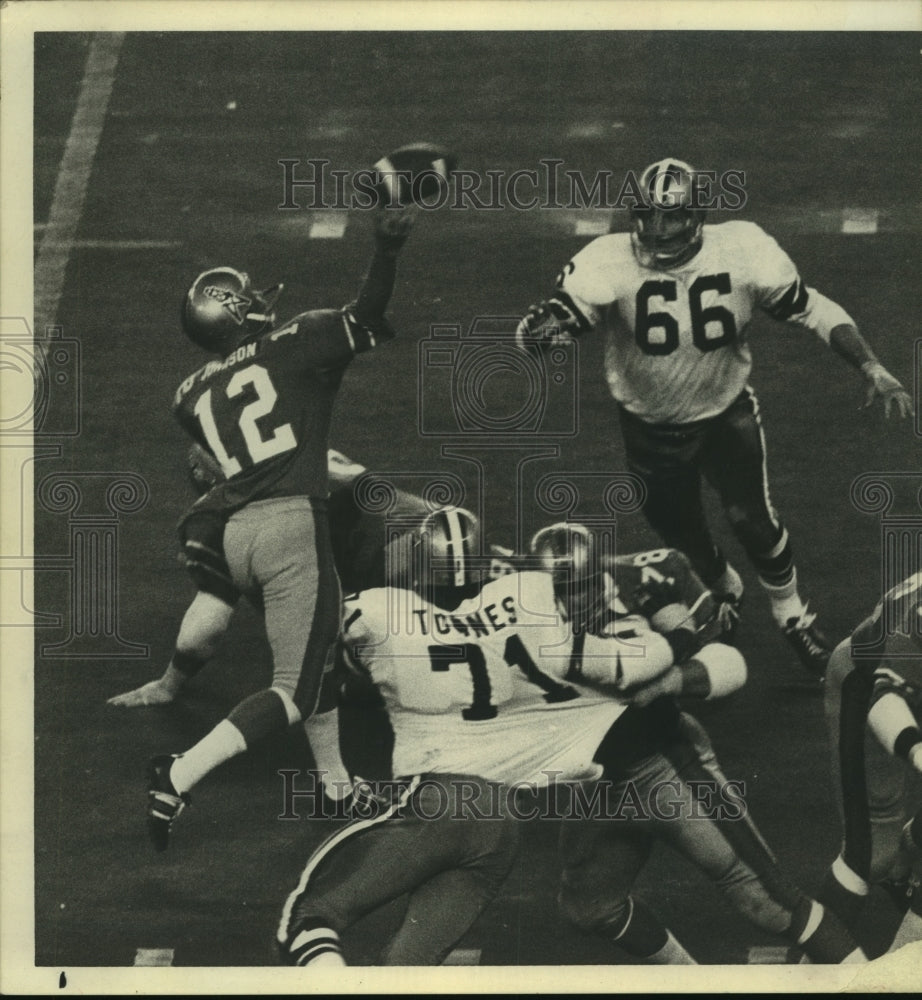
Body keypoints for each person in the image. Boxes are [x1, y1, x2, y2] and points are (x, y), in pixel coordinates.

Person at [516, 157, 913, 676]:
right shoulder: (607, 261)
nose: (657, 229)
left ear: (696, 215)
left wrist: (871, 365)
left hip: (725, 413)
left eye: (671, 217)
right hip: (649, 428)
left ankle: (793, 617)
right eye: (649, 216)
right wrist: (537, 335)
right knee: (683, 538)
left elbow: (812, 307)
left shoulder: (743, 249)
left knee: (753, 518)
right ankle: (725, 588)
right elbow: (543, 332)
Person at [144, 202, 417, 851]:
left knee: (312, 655)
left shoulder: (188, 393)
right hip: (293, 525)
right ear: (237, 313)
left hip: (234, 531)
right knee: (292, 690)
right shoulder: (296, 344)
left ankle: (336, 787)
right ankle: (176, 775)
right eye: (249, 299)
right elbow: (367, 314)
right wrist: (387, 247)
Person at [528, 522, 866, 964]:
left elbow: (731, 666)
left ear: (598, 577)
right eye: (557, 589)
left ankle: (867, 980)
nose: (568, 600)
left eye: (578, 586)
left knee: (768, 902)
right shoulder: (517, 615)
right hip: (596, 783)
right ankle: (689, 978)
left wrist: (672, 679)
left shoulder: (642, 586)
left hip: (664, 765)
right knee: (590, 907)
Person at [817, 573, 922, 952]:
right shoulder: (918, 615)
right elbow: (884, 695)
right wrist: (917, 752)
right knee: (869, 856)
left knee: (888, 856)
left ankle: (904, 860)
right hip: (868, 687)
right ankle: (806, 970)